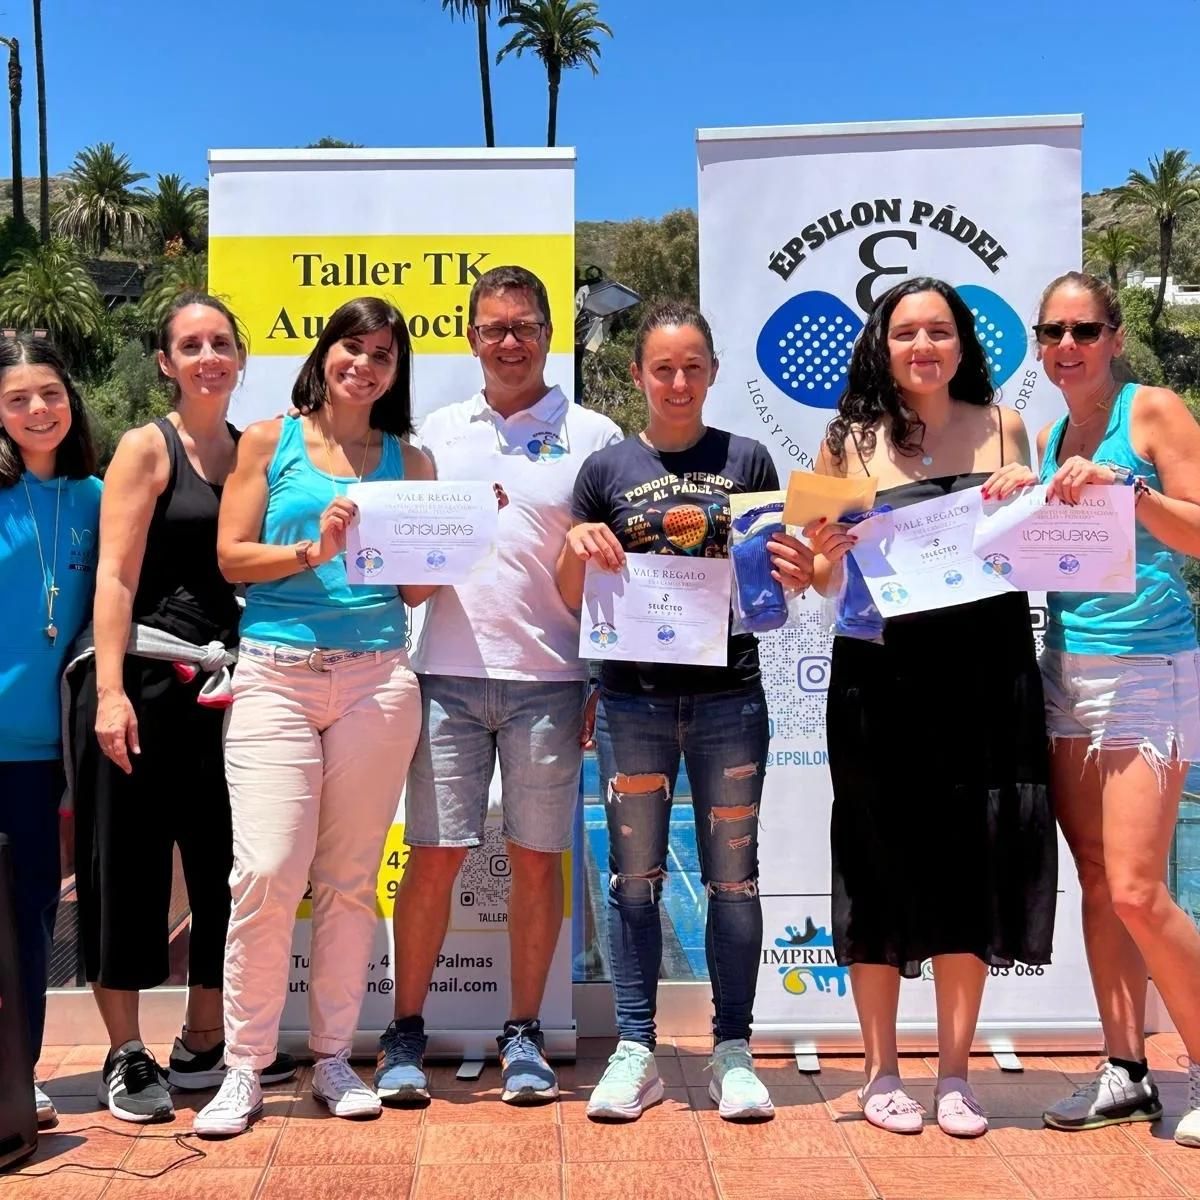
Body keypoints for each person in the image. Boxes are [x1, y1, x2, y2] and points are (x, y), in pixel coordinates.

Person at [807, 277, 1057, 1138]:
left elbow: (1034, 549)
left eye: (939, 332)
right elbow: (827, 582)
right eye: (906, 331)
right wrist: (824, 550)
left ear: (962, 343)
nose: (923, 346)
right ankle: (881, 1072)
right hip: (880, 677)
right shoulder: (844, 440)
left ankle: (955, 1073)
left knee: (968, 863)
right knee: (876, 863)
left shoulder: (1003, 427)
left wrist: (1027, 489)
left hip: (984, 672)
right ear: (881, 342)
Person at [557, 300, 814, 1122]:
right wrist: (574, 550)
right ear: (637, 375)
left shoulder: (747, 459)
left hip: (729, 699)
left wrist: (793, 573)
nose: (676, 381)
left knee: (732, 882)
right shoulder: (604, 472)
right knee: (634, 881)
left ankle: (732, 1048)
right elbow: (573, 602)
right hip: (631, 699)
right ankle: (636, 1048)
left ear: (711, 371)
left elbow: (770, 599)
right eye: (661, 368)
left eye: (691, 367)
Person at [375, 265, 621, 1108]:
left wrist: (598, 674)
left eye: (522, 326)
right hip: (444, 673)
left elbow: (615, 574)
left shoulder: (596, 434)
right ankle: (404, 1030)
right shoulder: (436, 434)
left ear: (549, 333)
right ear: (471, 337)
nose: (508, 342)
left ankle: (524, 1034)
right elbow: (408, 566)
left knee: (535, 861)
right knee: (433, 857)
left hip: (551, 680)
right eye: (492, 328)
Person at [194, 297, 431, 1137]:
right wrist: (312, 551)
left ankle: (332, 1055)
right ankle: (244, 1067)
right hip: (276, 676)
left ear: (396, 371)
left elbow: (414, 589)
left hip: (377, 679)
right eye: (351, 347)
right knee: (264, 873)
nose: (363, 364)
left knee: (348, 881)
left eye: (382, 354)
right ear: (324, 353)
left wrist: (458, 536)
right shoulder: (269, 440)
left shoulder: (411, 458)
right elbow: (231, 558)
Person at [983, 271, 1200, 1146]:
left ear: (1115, 336)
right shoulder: (1046, 433)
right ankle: (1127, 1070)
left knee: (1144, 891)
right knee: (1105, 886)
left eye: (1084, 328)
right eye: (1052, 331)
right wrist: (1013, 499)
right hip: (1065, 670)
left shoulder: (1152, 410)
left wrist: (1130, 491)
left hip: (1151, 667)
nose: (1067, 344)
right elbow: (1052, 555)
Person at [68, 294, 295, 1124]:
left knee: (223, 865)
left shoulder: (253, 453)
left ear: (240, 358)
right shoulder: (145, 447)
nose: (208, 357)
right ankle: (125, 1054)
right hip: (141, 685)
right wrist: (113, 690)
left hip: (227, 689)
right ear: (165, 362)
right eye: (190, 345)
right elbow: (116, 577)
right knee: (123, 866)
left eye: (221, 343)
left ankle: (206, 1038)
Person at [0, 334, 100, 1127]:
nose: (39, 410)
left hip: (45, 754)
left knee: (32, 910)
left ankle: (17, 1069)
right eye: (17, 398)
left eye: (51, 393)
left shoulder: (100, 497)